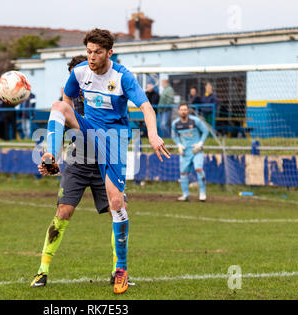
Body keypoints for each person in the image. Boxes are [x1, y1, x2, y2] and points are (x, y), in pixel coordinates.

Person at [33, 29, 170, 294]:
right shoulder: (79, 72)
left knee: (116, 202)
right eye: (88, 51)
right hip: (88, 129)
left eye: (97, 52)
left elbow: (146, 107)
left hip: (114, 139)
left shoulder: (123, 76)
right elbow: (67, 99)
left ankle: (121, 269)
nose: (92, 57)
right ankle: (50, 156)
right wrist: (65, 133)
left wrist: (153, 135)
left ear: (109, 52)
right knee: (58, 106)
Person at [31, 55, 134, 290]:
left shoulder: (105, 98)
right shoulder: (69, 104)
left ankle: (118, 271)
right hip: (78, 163)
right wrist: (50, 157)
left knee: (118, 210)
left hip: (105, 163)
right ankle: (42, 271)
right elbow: (58, 121)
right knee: (64, 212)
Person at [171, 102, 209, 202]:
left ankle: (202, 193)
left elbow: (205, 131)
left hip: (196, 150)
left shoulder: (195, 121)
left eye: (185, 109)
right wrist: (179, 145)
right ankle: (185, 195)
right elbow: (174, 135)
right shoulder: (175, 124)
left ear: (188, 111)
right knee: (183, 173)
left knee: (199, 169)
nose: (183, 112)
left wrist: (200, 143)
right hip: (185, 152)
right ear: (179, 111)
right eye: (181, 110)